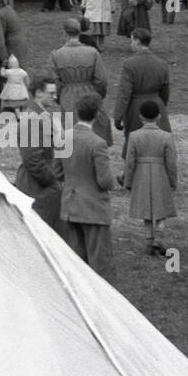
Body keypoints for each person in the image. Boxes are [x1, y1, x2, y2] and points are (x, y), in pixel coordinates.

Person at [60, 93, 116, 279]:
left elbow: (57, 172)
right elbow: (104, 181)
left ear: (77, 112)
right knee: (100, 263)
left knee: (76, 262)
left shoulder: (64, 137)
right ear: (97, 114)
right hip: (93, 209)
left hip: (71, 205)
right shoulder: (98, 143)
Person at [123, 98, 178, 256]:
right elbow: (172, 162)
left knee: (146, 211)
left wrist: (128, 181)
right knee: (161, 212)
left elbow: (130, 161)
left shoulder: (134, 136)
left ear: (140, 117)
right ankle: (158, 241)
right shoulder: (166, 136)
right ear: (159, 116)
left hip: (141, 174)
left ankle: (149, 242)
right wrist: (173, 181)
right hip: (160, 174)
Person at [13, 75, 63, 229]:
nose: (55, 97)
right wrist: (51, 180)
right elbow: (32, 158)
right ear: (39, 93)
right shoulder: (32, 119)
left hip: (40, 183)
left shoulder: (40, 115)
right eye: (51, 93)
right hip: (36, 186)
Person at [49, 17, 108, 119]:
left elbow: (54, 81)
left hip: (67, 97)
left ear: (64, 33)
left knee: (70, 131)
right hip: (90, 95)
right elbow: (101, 80)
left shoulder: (56, 55)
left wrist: (59, 96)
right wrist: (98, 94)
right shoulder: (92, 52)